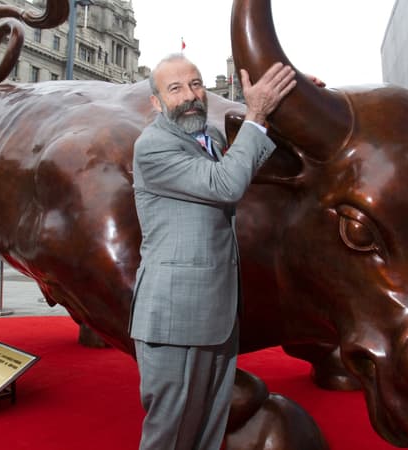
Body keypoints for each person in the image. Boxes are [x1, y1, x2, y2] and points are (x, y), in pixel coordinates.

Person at [130, 54, 296, 450]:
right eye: (175, 89)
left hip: (216, 312)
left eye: (196, 84)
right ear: (155, 102)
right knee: (171, 437)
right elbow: (226, 184)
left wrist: (289, 106)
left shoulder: (211, 140)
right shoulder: (153, 147)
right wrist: (257, 113)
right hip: (176, 320)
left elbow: (253, 157)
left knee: (207, 431)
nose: (190, 96)